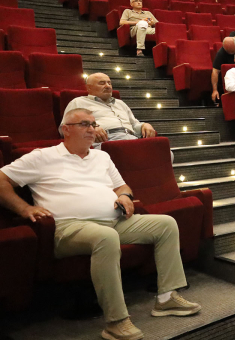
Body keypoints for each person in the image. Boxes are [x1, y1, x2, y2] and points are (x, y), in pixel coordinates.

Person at [0, 108, 201, 340]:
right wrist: (24, 209)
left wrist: (125, 196)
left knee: (166, 224)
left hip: (113, 222)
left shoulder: (101, 156)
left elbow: (122, 186)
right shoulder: (42, 157)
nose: (92, 129)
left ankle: (166, 298)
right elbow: (2, 180)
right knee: (106, 237)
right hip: (69, 228)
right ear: (66, 129)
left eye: (93, 124)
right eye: (84, 124)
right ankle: (116, 322)